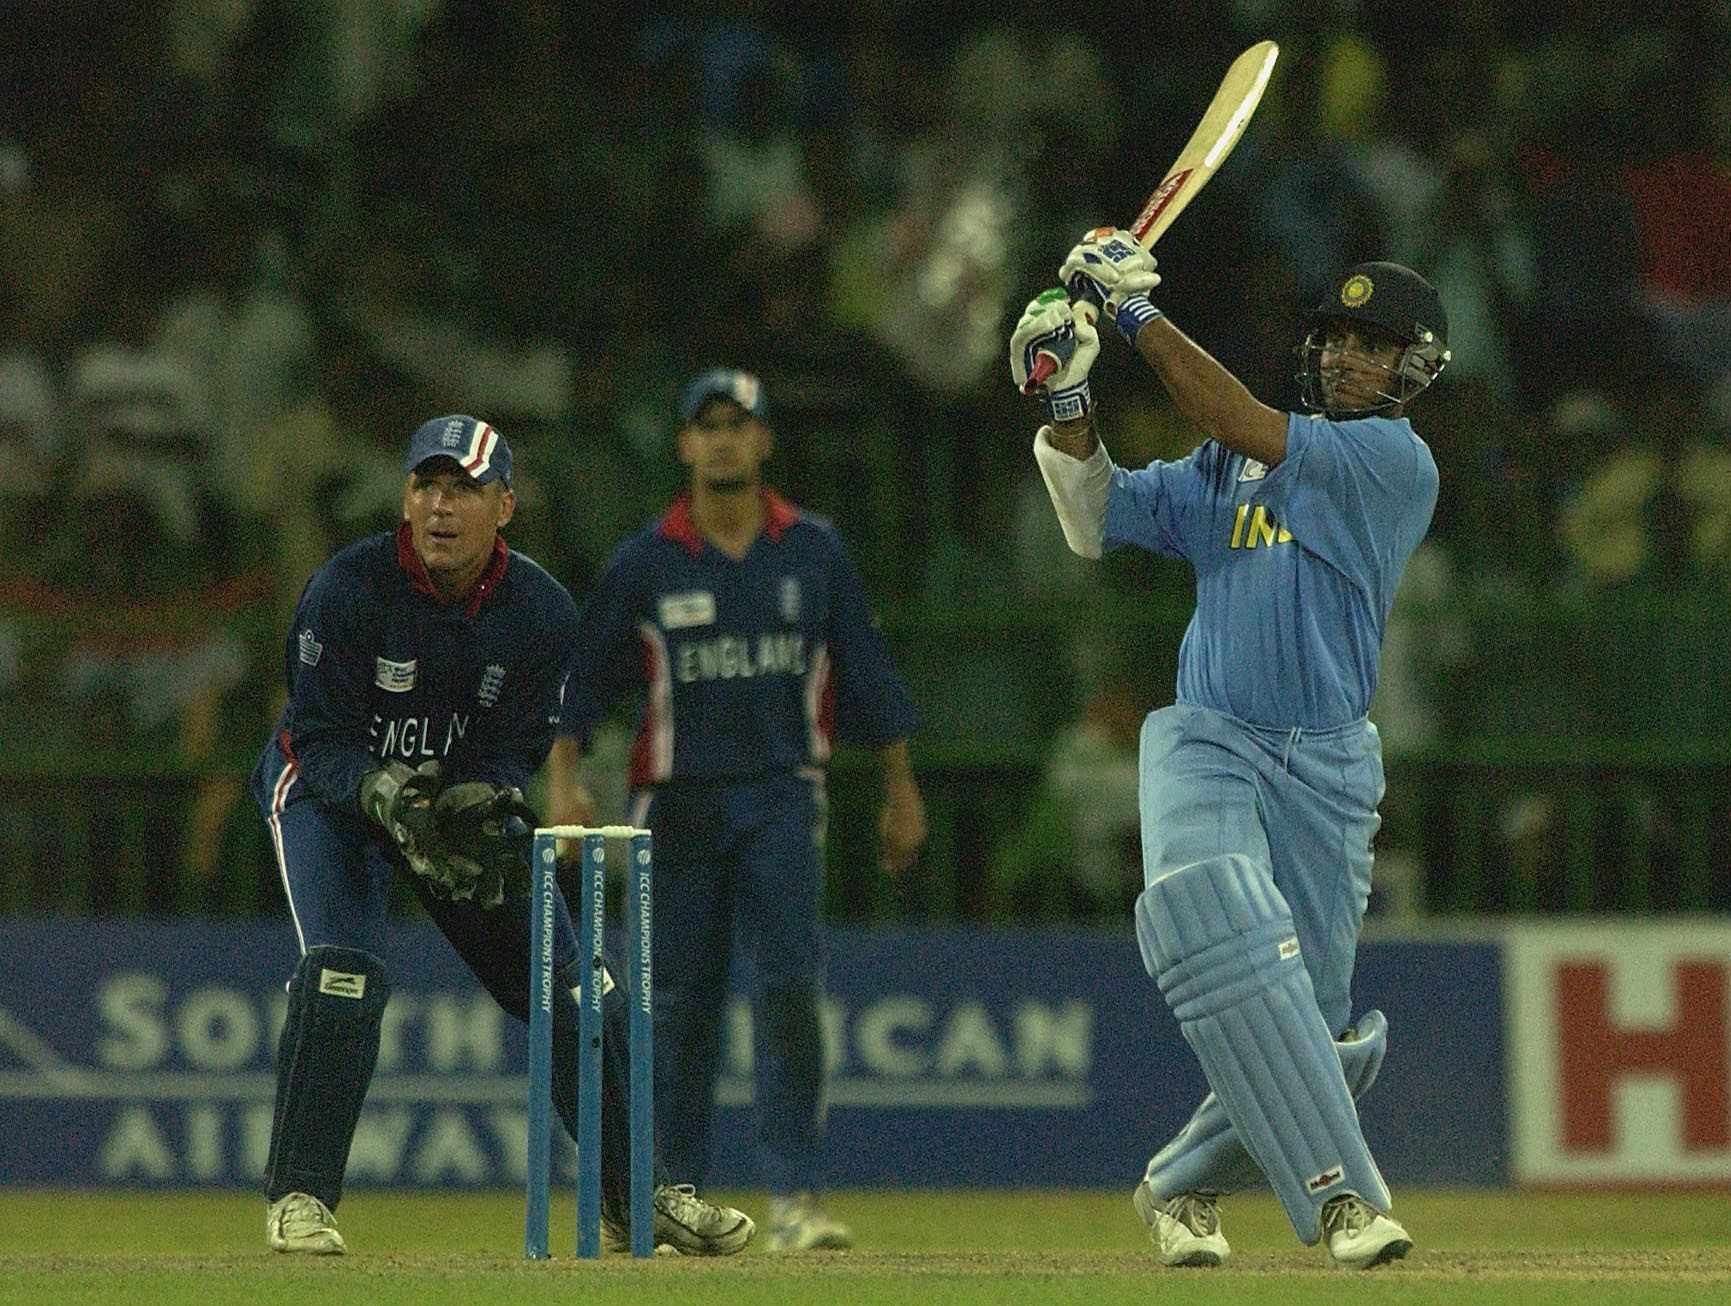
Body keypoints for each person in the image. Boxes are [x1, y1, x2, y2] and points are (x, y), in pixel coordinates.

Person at [1010, 229, 1449, 1271]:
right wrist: (1067, 402)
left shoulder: (1392, 462)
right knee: (1212, 912)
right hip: (1208, 736)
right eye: (1338, 339)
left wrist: (1130, 313)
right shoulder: (1227, 465)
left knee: (1315, 1034)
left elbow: (1227, 413)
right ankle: (1345, 1202)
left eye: (1374, 346)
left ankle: (1177, 1185)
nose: (1347, 357)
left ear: (1412, 369)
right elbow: (1096, 516)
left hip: (1332, 764)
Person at [250, 414, 754, 1256]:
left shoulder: (541, 611)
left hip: (447, 810)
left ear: (506, 506)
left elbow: (513, 742)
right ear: (406, 498)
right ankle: (300, 1198)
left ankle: (638, 1198)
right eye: (426, 487)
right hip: (332, 804)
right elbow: (321, 736)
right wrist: (381, 792)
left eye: (464, 490)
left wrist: (476, 802)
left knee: (578, 983)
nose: (440, 508)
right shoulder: (346, 588)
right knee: (342, 975)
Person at [546, 368, 928, 1253]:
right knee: (676, 1005)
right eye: (705, 424)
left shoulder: (813, 551)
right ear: (683, 443)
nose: (721, 439)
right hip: (671, 809)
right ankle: (665, 1191)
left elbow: (866, 673)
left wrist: (900, 790)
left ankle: (795, 1194)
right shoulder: (645, 560)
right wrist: (562, 780)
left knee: (791, 988)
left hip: (783, 795)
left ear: (763, 441)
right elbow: (584, 680)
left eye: (738, 424)